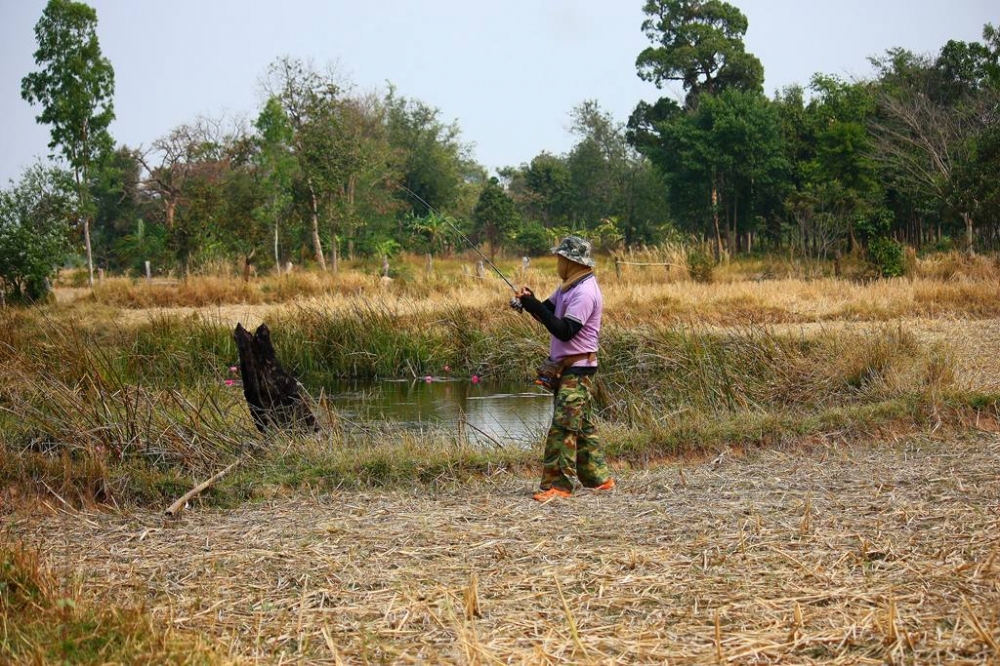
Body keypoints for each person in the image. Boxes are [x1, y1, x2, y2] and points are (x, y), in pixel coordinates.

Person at [515, 235, 615, 501]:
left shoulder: (585, 292)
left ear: (571, 261)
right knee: (581, 425)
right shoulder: (568, 287)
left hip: (578, 371)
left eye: (560, 258)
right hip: (568, 369)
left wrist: (535, 307)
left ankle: (557, 486)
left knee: (563, 427)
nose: (557, 263)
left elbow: (564, 331)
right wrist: (530, 302)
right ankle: (598, 478)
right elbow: (547, 311)